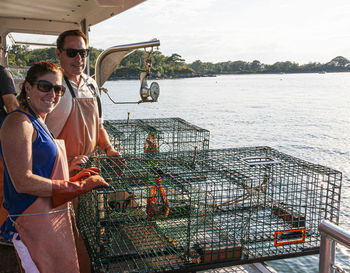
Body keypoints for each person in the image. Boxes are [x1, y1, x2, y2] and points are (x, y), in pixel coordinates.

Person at [0, 61, 108, 272]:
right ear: (28, 88)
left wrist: (72, 175)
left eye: (58, 89)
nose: (53, 93)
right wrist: (78, 188)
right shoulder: (18, 123)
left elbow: (40, 167)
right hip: (30, 225)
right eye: (44, 86)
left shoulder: (39, 121)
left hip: (48, 220)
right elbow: (23, 182)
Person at [45, 29, 123, 174]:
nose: (78, 58)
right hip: (58, 169)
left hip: (90, 167)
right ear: (58, 53)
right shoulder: (50, 86)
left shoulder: (91, 84)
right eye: (71, 53)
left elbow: (98, 127)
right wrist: (63, 165)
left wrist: (109, 149)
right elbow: (35, 135)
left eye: (83, 53)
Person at [0, 45, 19, 228]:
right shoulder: (2, 73)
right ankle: (4, 229)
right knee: (4, 187)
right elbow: (12, 106)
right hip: (1, 140)